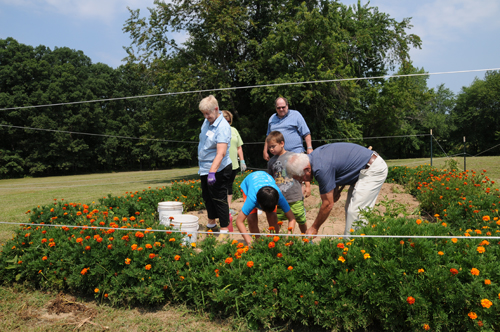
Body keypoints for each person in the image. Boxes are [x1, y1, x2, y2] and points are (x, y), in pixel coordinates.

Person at [286, 143, 388, 236]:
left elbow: (327, 204)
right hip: (362, 169)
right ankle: (351, 244)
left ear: (307, 170)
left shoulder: (320, 168)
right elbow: (336, 165)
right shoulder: (314, 157)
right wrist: (335, 189)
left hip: (373, 169)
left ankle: (354, 248)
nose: (301, 182)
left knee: (356, 212)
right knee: (350, 209)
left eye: (300, 178)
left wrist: (314, 227)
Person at [263, 97, 312, 197]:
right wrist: (265, 150)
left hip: (295, 152)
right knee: (282, 179)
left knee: (298, 179)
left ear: (287, 106)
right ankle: (285, 201)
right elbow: (268, 136)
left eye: (283, 107)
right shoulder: (272, 119)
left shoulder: (296, 115)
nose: (281, 109)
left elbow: (306, 133)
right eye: (278, 108)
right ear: (275, 108)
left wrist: (309, 147)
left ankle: (300, 200)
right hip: (279, 155)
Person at [197, 95, 232, 237]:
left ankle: (225, 229)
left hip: (219, 169)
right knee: (207, 197)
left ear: (216, 109)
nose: (206, 116)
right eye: (203, 114)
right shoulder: (207, 122)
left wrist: (212, 172)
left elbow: (221, 152)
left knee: (219, 198)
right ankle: (212, 224)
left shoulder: (223, 126)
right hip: (205, 168)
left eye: (208, 113)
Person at [235, 171, 297, 245]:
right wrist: (249, 242)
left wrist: (288, 238)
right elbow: (239, 221)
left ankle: (274, 241)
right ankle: (258, 243)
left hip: (266, 183)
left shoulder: (278, 196)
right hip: (250, 183)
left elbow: (292, 218)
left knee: (272, 217)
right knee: (252, 219)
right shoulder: (252, 199)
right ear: (259, 204)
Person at [267, 131, 308, 234]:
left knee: (301, 219)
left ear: (282, 143)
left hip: (295, 196)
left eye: (273, 146)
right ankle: (276, 240)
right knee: (277, 220)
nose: (271, 149)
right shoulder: (271, 162)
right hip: (280, 198)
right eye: (269, 147)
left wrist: (307, 186)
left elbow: (303, 172)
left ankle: (307, 239)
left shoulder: (293, 156)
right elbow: (271, 178)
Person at [222, 110, 246, 219]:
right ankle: (222, 208)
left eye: (228, 121)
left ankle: (228, 208)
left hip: (233, 164)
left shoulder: (234, 130)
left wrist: (242, 161)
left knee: (229, 186)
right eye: (224, 120)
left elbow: (239, 147)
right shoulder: (218, 131)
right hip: (221, 164)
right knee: (221, 186)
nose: (226, 123)